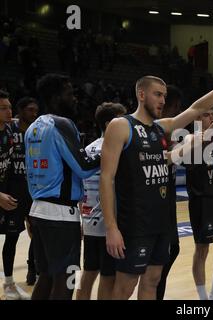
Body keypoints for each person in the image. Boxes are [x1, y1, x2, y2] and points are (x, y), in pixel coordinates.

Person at [100, 68, 213, 300]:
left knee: (152, 281)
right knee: (125, 287)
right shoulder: (120, 126)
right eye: (157, 94)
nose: (162, 100)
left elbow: (196, 108)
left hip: (162, 222)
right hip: (134, 223)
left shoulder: (161, 127)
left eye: (164, 96)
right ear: (141, 94)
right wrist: (111, 227)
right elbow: (106, 178)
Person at [25, 74, 100, 300]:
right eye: (69, 94)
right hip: (60, 215)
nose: (75, 98)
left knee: (46, 276)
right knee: (67, 279)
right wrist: (110, 150)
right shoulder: (62, 123)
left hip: (37, 211)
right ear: (56, 97)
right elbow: (84, 168)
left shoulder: (33, 127)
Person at [76, 102, 126, 300]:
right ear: (109, 124)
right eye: (122, 119)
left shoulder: (88, 149)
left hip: (89, 223)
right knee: (108, 278)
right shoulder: (116, 149)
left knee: (88, 274)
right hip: (109, 225)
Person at [184, 109, 213, 300]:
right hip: (201, 202)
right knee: (202, 250)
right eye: (206, 114)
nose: (211, 117)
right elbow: (189, 157)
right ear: (195, 118)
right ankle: (203, 298)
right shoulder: (189, 139)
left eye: (212, 114)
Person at [8, 97, 39, 292]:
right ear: (20, 110)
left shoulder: (38, 130)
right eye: (30, 109)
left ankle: (31, 268)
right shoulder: (9, 129)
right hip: (13, 190)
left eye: (36, 110)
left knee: (36, 232)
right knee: (12, 237)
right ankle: (9, 279)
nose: (34, 113)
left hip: (33, 189)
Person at [156, 85, 182, 300]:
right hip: (153, 201)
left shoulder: (170, 134)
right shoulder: (153, 130)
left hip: (167, 200)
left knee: (171, 251)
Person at [0, 89, 21, 299]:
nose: (9, 111)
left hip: (7, 192)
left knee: (12, 238)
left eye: (10, 107)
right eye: (3, 108)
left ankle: (8, 282)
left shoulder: (10, 129)